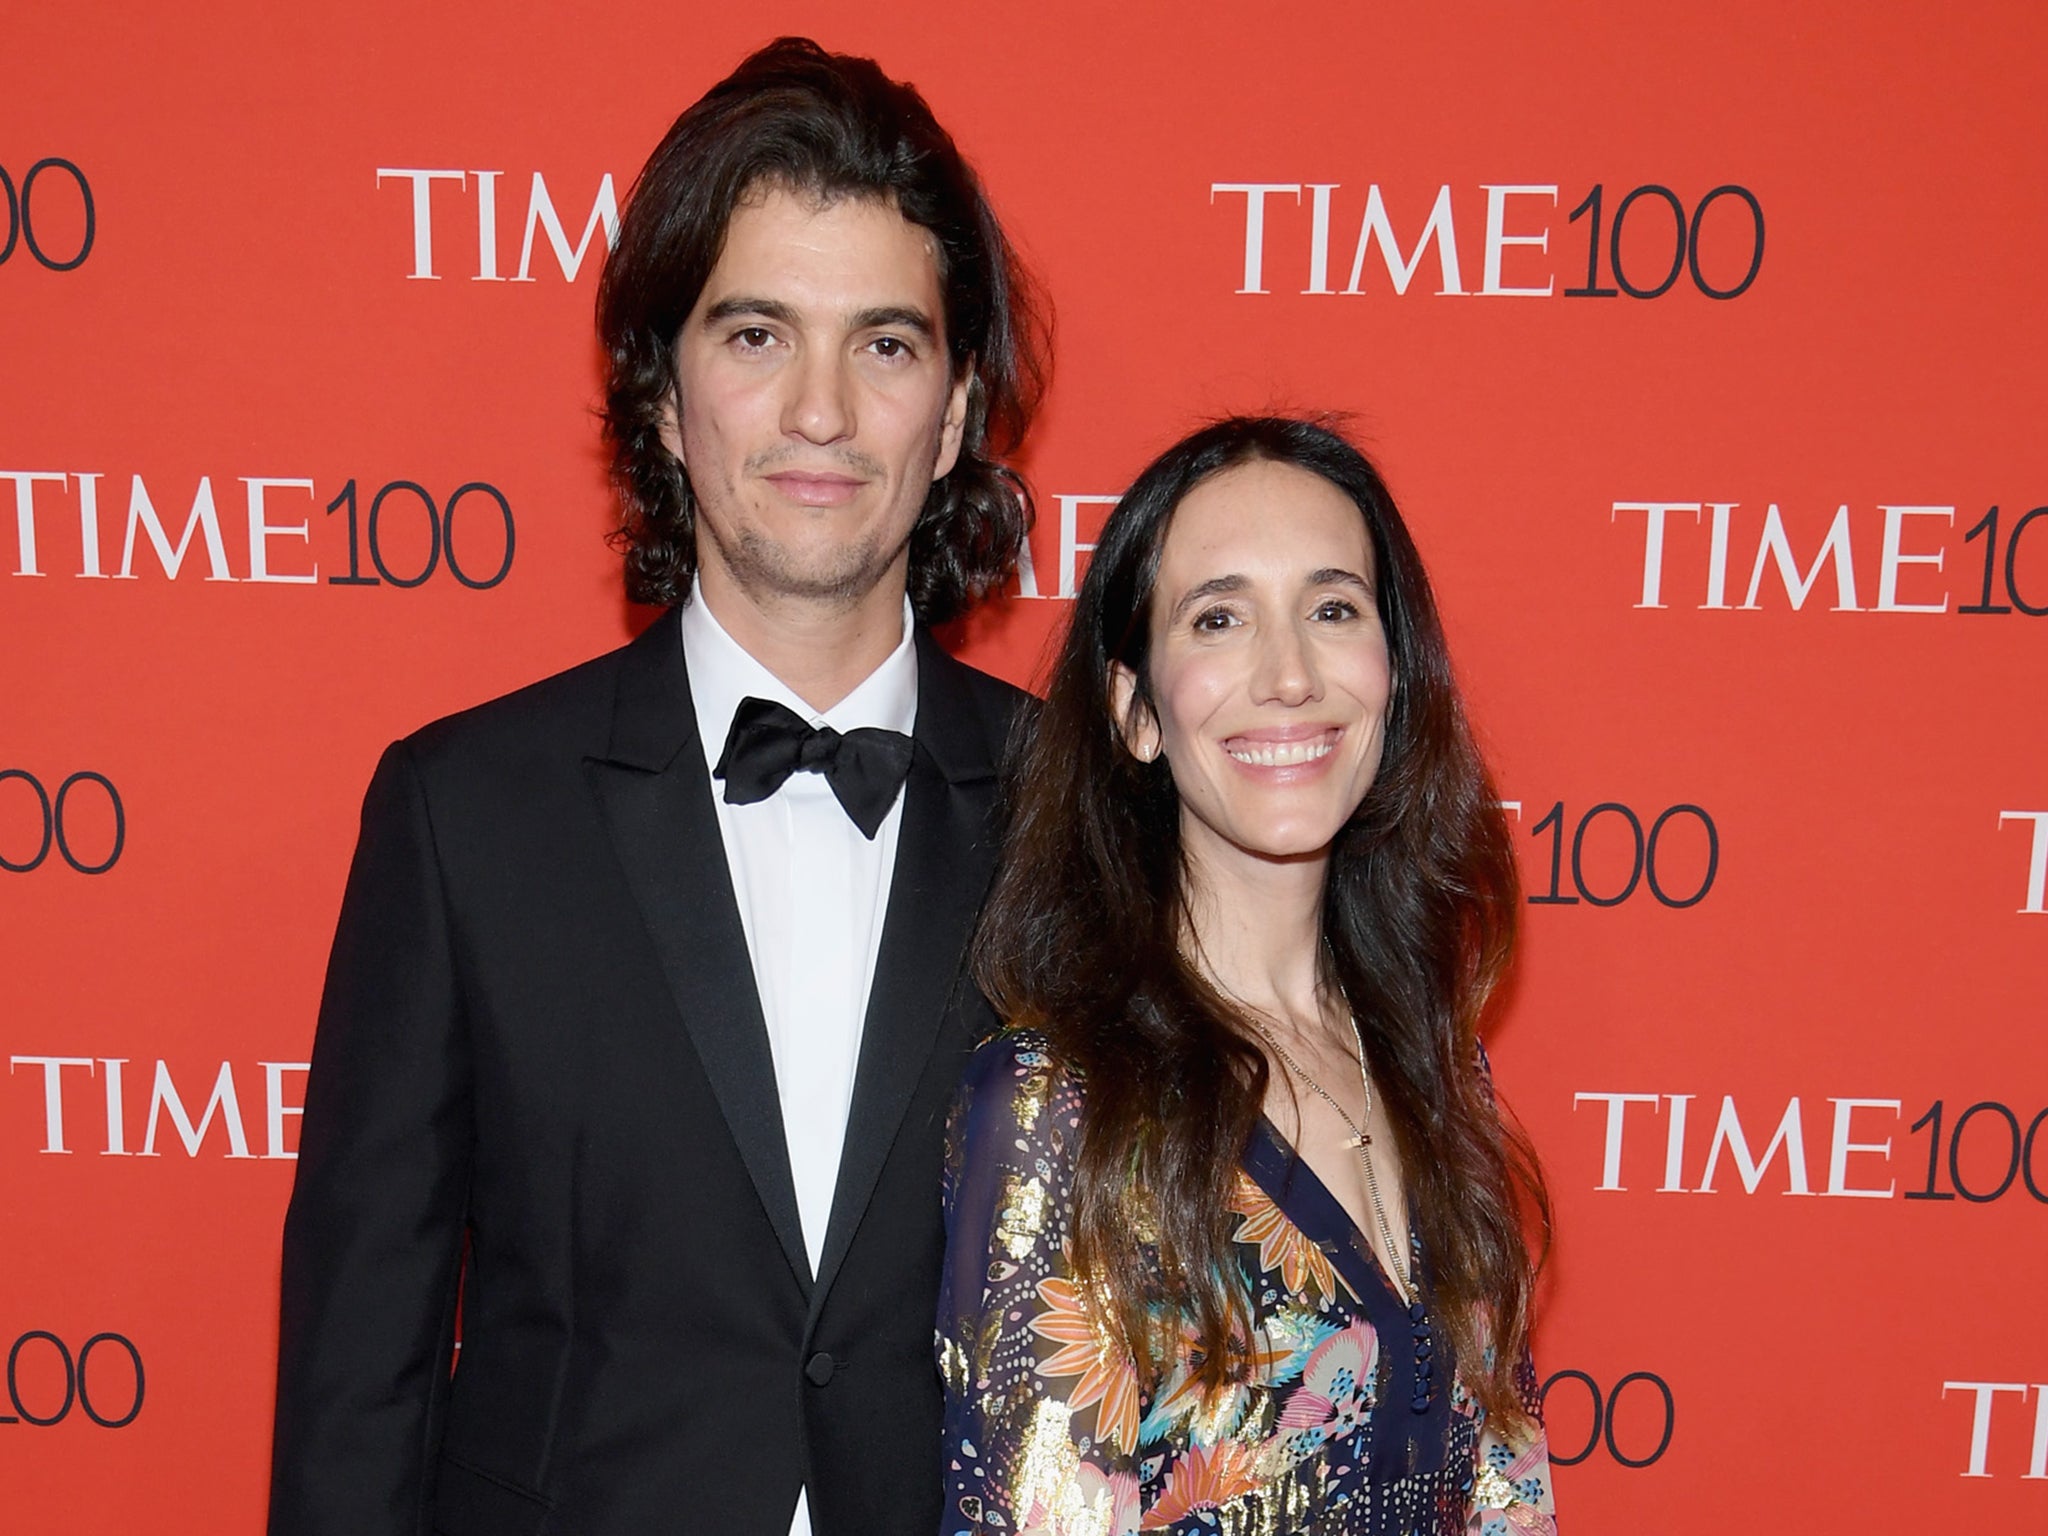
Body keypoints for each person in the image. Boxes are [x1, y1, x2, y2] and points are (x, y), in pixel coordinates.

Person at [270, 37, 1046, 1536]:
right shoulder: (462, 816)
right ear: (666, 394)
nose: (821, 411)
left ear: (951, 415)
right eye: (756, 335)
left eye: (886, 344)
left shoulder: (1086, 815)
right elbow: (356, 1375)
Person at [939, 417, 1556, 1535]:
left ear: (1392, 674)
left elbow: (1508, 1494)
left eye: (1331, 610)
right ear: (1135, 710)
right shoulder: (1054, 1107)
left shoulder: (1435, 1059)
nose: (1287, 675)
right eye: (1217, 618)